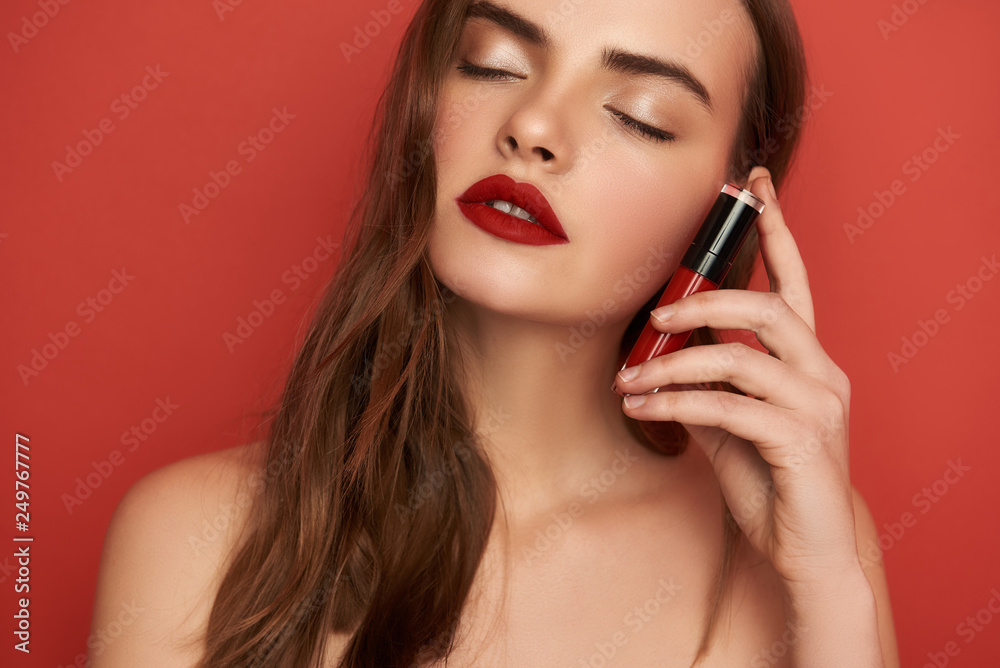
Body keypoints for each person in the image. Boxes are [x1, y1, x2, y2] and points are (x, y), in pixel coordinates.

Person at [89, 0, 900, 666]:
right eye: (493, 63)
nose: (534, 125)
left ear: (729, 211)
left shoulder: (808, 552)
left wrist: (833, 593)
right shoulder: (193, 539)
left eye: (639, 116)